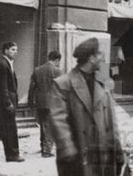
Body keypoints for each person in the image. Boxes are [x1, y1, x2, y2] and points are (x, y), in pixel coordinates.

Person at [50, 37, 124, 176]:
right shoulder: (63, 84)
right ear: (91, 58)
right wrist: (68, 151)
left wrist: (117, 148)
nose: (103, 58)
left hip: (103, 152)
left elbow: (112, 120)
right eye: (101, 54)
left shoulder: (105, 82)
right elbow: (58, 121)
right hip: (77, 155)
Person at [28, 50, 63, 158]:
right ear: (57, 60)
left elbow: (32, 87)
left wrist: (30, 101)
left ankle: (43, 146)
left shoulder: (37, 70)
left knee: (43, 124)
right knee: (49, 126)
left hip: (40, 102)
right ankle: (47, 150)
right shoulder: (59, 71)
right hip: (52, 102)